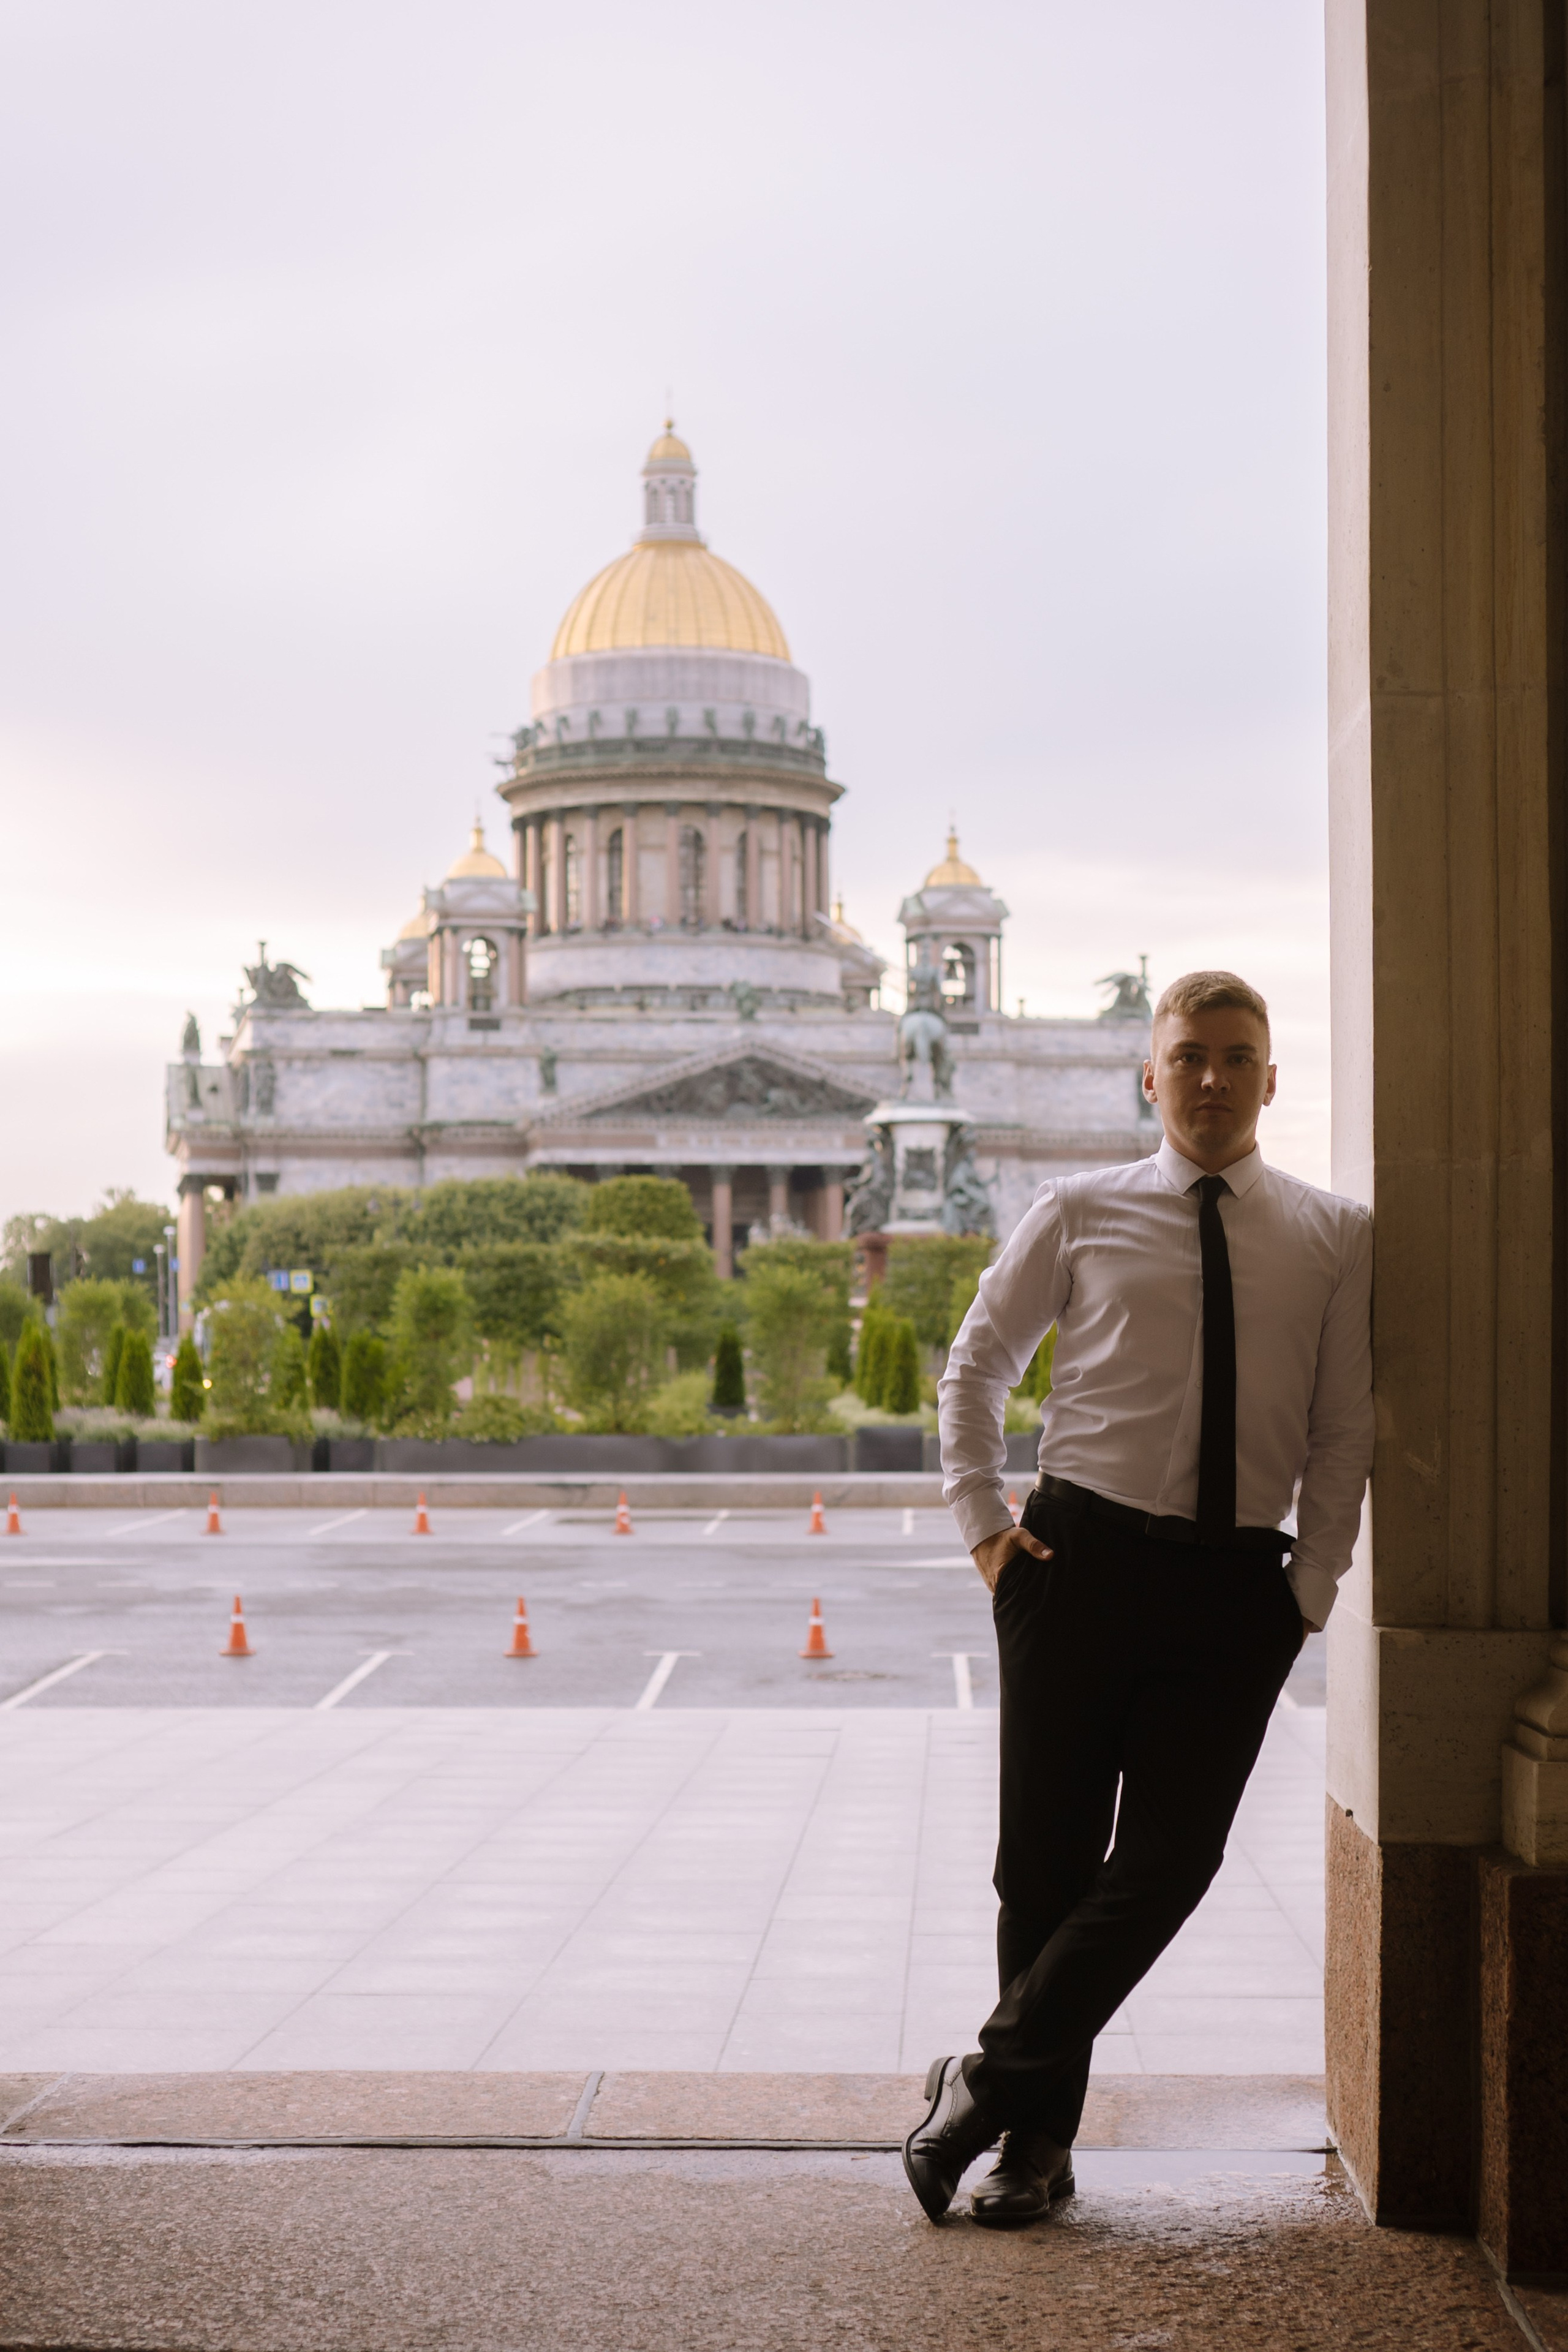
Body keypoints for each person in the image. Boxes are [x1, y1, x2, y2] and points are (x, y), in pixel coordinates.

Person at [905, 969, 1372, 2228]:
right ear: (1149, 1075)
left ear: (1269, 1080)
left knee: (1173, 1861)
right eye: (1189, 1057)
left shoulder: (1335, 1236)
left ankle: (981, 2081)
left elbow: (1342, 1429)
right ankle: (1034, 2148)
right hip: (1075, 1565)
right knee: (1043, 1868)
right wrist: (983, 1528)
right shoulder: (1076, 1210)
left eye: (1235, 1057)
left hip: (1236, 1589)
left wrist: (1309, 1590)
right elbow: (976, 1365)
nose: (1211, 1078)